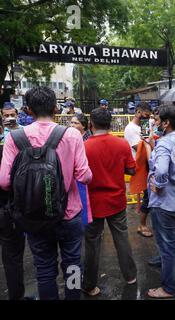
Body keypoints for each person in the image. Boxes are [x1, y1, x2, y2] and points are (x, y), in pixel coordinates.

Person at [0, 87, 92, 300]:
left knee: (44, 268)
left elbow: (4, 181)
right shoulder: (71, 135)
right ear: (55, 108)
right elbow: (85, 177)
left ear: (28, 110)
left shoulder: (15, 138)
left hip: (33, 217)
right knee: (73, 265)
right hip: (69, 214)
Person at [82, 108, 137, 297]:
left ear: (91, 124)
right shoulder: (121, 144)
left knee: (91, 243)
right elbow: (131, 170)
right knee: (121, 239)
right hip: (117, 201)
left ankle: (89, 284)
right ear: (111, 124)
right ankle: (130, 276)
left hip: (92, 204)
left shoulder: (84, 146)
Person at [147, 104, 175, 299]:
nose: (155, 124)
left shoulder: (164, 143)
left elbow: (163, 170)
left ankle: (169, 288)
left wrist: (159, 184)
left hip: (165, 204)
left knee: (168, 248)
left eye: (157, 121)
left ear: (166, 123)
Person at [0, 142, 26, 300]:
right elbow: (8, 182)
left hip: (6, 213)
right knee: (13, 259)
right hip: (7, 213)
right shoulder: (7, 154)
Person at [124, 102, 154, 238]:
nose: (147, 117)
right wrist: (152, 145)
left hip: (147, 164)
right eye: (146, 114)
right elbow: (140, 148)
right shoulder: (130, 128)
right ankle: (142, 225)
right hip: (141, 165)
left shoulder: (143, 126)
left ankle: (145, 223)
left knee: (151, 195)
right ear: (137, 112)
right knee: (148, 195)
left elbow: (147, 142)